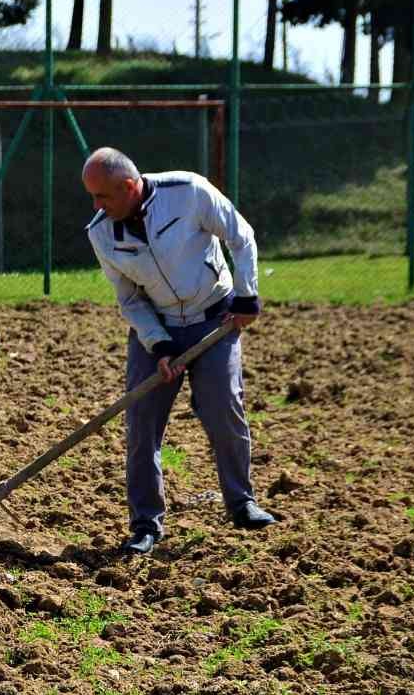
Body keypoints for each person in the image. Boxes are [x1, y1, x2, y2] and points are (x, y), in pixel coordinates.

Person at [81, 147, 275, 556]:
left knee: (223, 407)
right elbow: (130, 300)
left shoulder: (188, 191)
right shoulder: (101, 232)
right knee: (142, 425)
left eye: (103, 197)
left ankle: (242, 504)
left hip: (215, 321)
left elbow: (241, 237)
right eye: (93, 197)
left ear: (130, 186)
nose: (96, 206)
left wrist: (246, 296)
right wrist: (160, 345)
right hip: (159, 329)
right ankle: (145, 524)